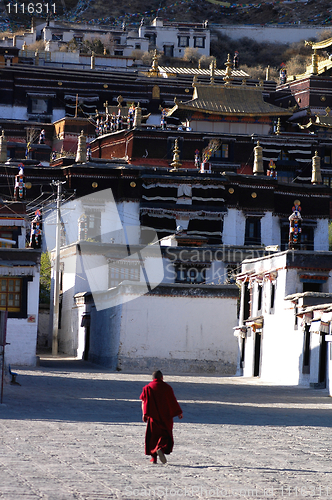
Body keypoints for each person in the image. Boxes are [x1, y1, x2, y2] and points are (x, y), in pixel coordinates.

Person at [140, 370, 183, 464]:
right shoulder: (167, 387)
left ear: (152, 378)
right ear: (162, 377)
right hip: (166, 417)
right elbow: (172, 401)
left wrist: (144, 414)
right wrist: (179, 412)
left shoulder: (147, 387)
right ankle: (161, 448)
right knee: (166, 435)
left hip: (153, 417)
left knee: (153, 437)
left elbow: (144, 401)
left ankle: (153, 458)